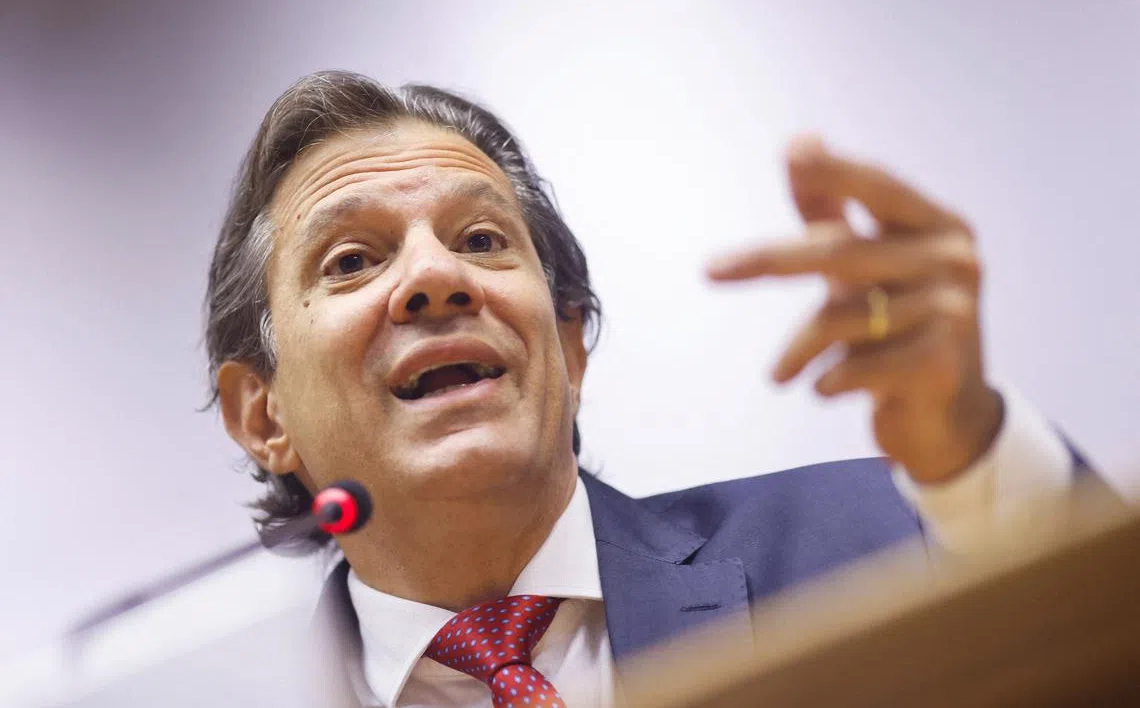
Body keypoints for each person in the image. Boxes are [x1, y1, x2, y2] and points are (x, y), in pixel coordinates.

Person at [206, 71, 1084, 707]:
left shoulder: (887, 546)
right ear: (262, 415)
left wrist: (973, 450)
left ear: (570, 345)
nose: (437, 278)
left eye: (480, 240)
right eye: (352, 260)